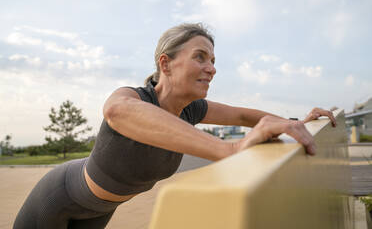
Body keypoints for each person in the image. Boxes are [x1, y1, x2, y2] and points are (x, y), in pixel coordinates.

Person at [13, 23, 336, 229]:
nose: (211, 68)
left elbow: (241, 116)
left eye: (212, 61)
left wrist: (296, 122)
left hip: (99, 210)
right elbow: (117, 111)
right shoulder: (133, 98)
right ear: (165, 63)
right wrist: (232, 149)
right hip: (57, 197)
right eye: (200, 57)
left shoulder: (191, 109)